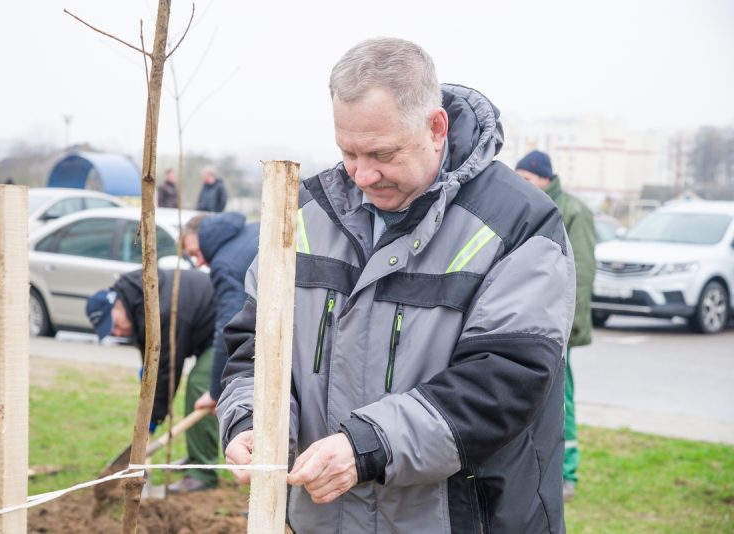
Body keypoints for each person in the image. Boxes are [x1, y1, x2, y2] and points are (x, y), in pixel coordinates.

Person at [217, 37, 575, 532]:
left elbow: (505, 378)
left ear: (435, 127)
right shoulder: (299, 217)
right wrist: (248, 421)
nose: (363, 174)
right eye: (348, 152)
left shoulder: (518, 225)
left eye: (381, 153)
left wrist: (367, 447)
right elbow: (253, 346)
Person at [85, 268, 219, 492]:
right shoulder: (136, 298)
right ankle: (196, 457)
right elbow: (152, 359)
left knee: (201, 384)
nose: (116, 333)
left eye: (115, 324)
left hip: (227, 324)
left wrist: (151, 422)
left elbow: (167, 370)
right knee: (196, 384)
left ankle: (203, 472)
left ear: (117, 305)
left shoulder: (159, 310)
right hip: (203, 327)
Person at [516, 150, 596, 502]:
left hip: (558, 326)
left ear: (546, 179)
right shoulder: (522, 204)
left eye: (528, 180)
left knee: (561, 401)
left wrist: (571, 328)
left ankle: (568, 474)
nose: (522, 185)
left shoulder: (573, 210)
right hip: (528, 321)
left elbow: (581, 271)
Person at [182, 211, 258, 412]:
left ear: (203, 235)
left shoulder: (224, 264)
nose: (198, 264)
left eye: (195, 254)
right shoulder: (251, 229)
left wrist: (216, 391)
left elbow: (228, 326)